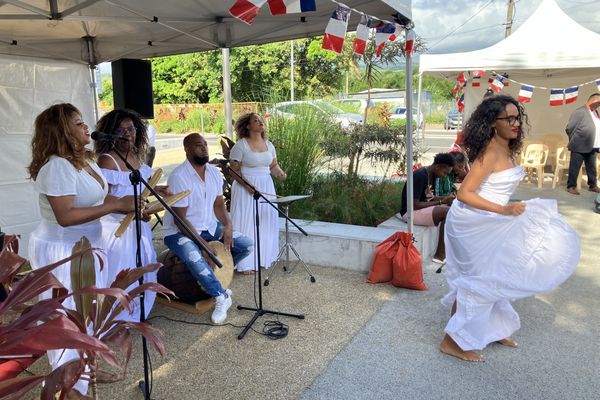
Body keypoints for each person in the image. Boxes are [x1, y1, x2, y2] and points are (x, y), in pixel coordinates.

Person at [439, 94, 580, 362]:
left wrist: (505, 210)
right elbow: (465, 194)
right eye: (510, 118)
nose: (516, 123)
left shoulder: (507, 148)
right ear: (493, 123)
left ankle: (491, 329)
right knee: (479, 280)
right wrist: (504, 209)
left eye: (518, 117)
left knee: (496, 274)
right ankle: (452, 341)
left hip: (489, 219)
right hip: (471, 221)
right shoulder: (490, 151)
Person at [27, 103, 135, 397]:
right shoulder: (57, 166)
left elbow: (98, 200)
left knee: (84, 318)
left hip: (86, 246)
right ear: (62, 130)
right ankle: (70, 386)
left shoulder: (85, 161)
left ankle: (80, 380)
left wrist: (132, 205)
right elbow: (66, 215)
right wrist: (114, 205)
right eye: (78, 123)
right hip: (62, 252)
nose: (86, 127)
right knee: (66, 322)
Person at [163, 133, 253, 324]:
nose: (204, 148)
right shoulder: (180, 176)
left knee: (245, 245)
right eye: (198, 145)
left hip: (209, 226)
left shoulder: (213, 172)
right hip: (180, 232)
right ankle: (221, 296)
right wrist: (203, 245)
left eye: (205, 144)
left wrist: (228, 226)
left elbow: (219, 204)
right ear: (187, 150)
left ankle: (214, 281)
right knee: (196, 256)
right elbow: (180, 220)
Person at [95, 109, 168, 323]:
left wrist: (159, 190)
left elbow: (140, 187)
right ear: (111, 133)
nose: (127, 133)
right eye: (121, 130)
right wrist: (125, 208)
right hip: (117, 231)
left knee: (141, 268)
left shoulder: (134, 156)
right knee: (121, 275)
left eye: (131, 128)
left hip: (138, 225)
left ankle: (135, 315)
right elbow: (101, 199)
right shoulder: (107, 160)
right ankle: (114, 319)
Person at [229, 113, 286, 274]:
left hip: (266, 185)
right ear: (247, 126)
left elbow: (273, 165)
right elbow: (233, 170)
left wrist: (281, 175)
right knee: (247, 222)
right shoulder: (241, 145)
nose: (260, 122)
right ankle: (245, 263)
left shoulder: (269, 144)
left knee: (265, 220)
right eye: (256, 120)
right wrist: (247, 185)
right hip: (246, 187)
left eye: (261, 119)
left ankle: (264, 258)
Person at [399, 153, 456, 264]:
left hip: (419, 209)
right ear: (438, 166)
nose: (444, 175)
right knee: (447, 212)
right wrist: (441, 202)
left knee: (451, 208)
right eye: (445, 172)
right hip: (409, 212)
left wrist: (446, 199)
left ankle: (447, 249)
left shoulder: (431, 174)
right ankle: (439, 255)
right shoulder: (420, 175)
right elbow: (414, 204)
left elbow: (429, 198)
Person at [565, 93, 600, 195]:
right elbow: (569, 128)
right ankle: (571, 186)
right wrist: (575, 139)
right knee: (575, 167)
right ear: (592, 100)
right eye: (598, 103)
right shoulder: (580, 111)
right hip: (579, 145)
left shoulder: (596, 112)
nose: (599, 105)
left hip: (593, 145)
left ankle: (592, 185)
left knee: (591, 167)